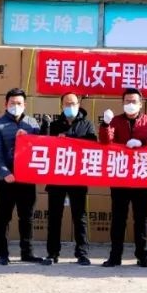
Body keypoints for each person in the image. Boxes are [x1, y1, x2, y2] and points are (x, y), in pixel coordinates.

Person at [98, 88, 147, 268]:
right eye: (127, 101)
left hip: (141, 177)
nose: (130, 104)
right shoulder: (115, 121)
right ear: (122, 103)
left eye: (134, 101)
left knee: (141, 218)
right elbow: (105, 142)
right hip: (120, 176)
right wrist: (105, 124)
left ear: (140, 104)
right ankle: (115, 256)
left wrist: (142, 143)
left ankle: (142, 256)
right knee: (118, 218)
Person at [0, 88, 45, 266]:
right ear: (6, 104)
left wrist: (31, 137)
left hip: (26, 178)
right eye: (12, 103)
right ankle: (2, 253)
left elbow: (40, 147)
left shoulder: (32, 123)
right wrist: (5, 173)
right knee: (3, 217)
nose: (16, 106)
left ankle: (27, 253)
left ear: (25, 105)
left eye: (19, 103)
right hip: (7, 179)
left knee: (27, 217)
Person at [40, 92, 97, 265]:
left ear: (78, 104)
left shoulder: (87, 124)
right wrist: (45, 127)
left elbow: (92, 144)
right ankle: (52, 253)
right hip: (57, 176)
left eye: (73, 103)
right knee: (54, 217)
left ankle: (82, 253)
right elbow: (43, 145)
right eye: (66, 104)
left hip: (77, 176)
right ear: (61, 106)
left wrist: (68, 139)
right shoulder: (55, 125)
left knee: (79, 217)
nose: (70, 106)